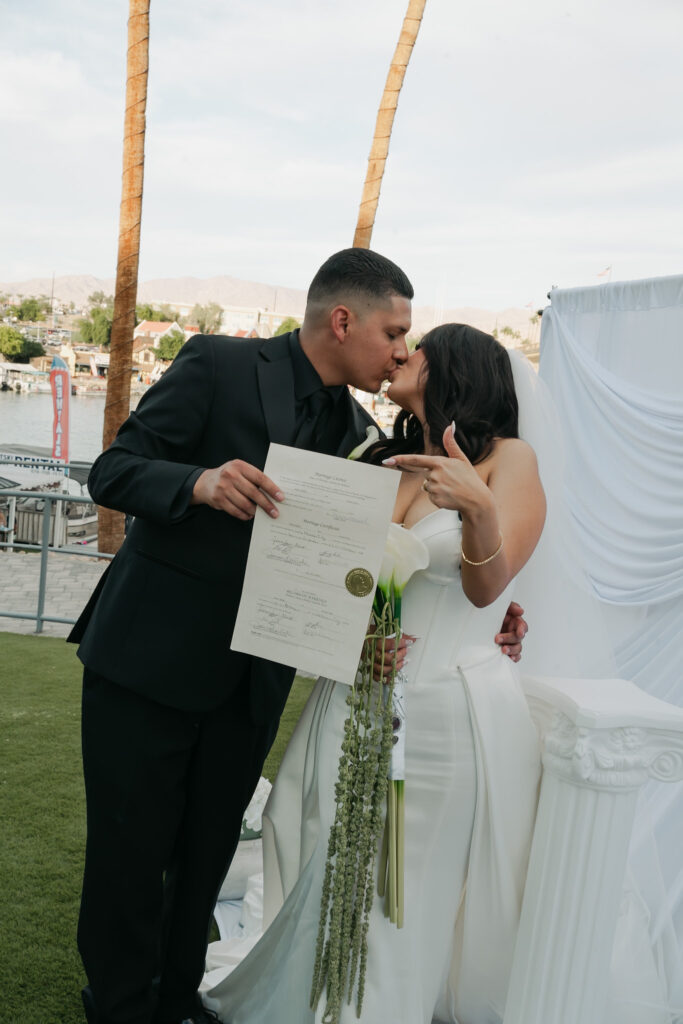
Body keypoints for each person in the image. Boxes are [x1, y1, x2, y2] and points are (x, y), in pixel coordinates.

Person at [68, 253, 527, 1024]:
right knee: (127, 852)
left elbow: (353, 569)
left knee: (206, 853)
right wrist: (196, 483)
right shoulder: (217, 363)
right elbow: (113, 470)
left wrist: (461, 623)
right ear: (342, 321)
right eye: (393, 332)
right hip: (146, 661)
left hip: (254, 682)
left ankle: (178, 1002)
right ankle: (117, 1005)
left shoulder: (362, 437)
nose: (398, 351)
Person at [201, 324, 546, 1024]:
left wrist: (474, 507)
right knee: (326, 847)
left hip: (445, 715)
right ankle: (322, 999)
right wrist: (350, 639)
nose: (398, 354)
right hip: (352, 693)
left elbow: (487, 590)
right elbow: (324, 578)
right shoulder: (374, 454)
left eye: (412, 346)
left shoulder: (509, 460)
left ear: (454, 369)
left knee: (407, 884)